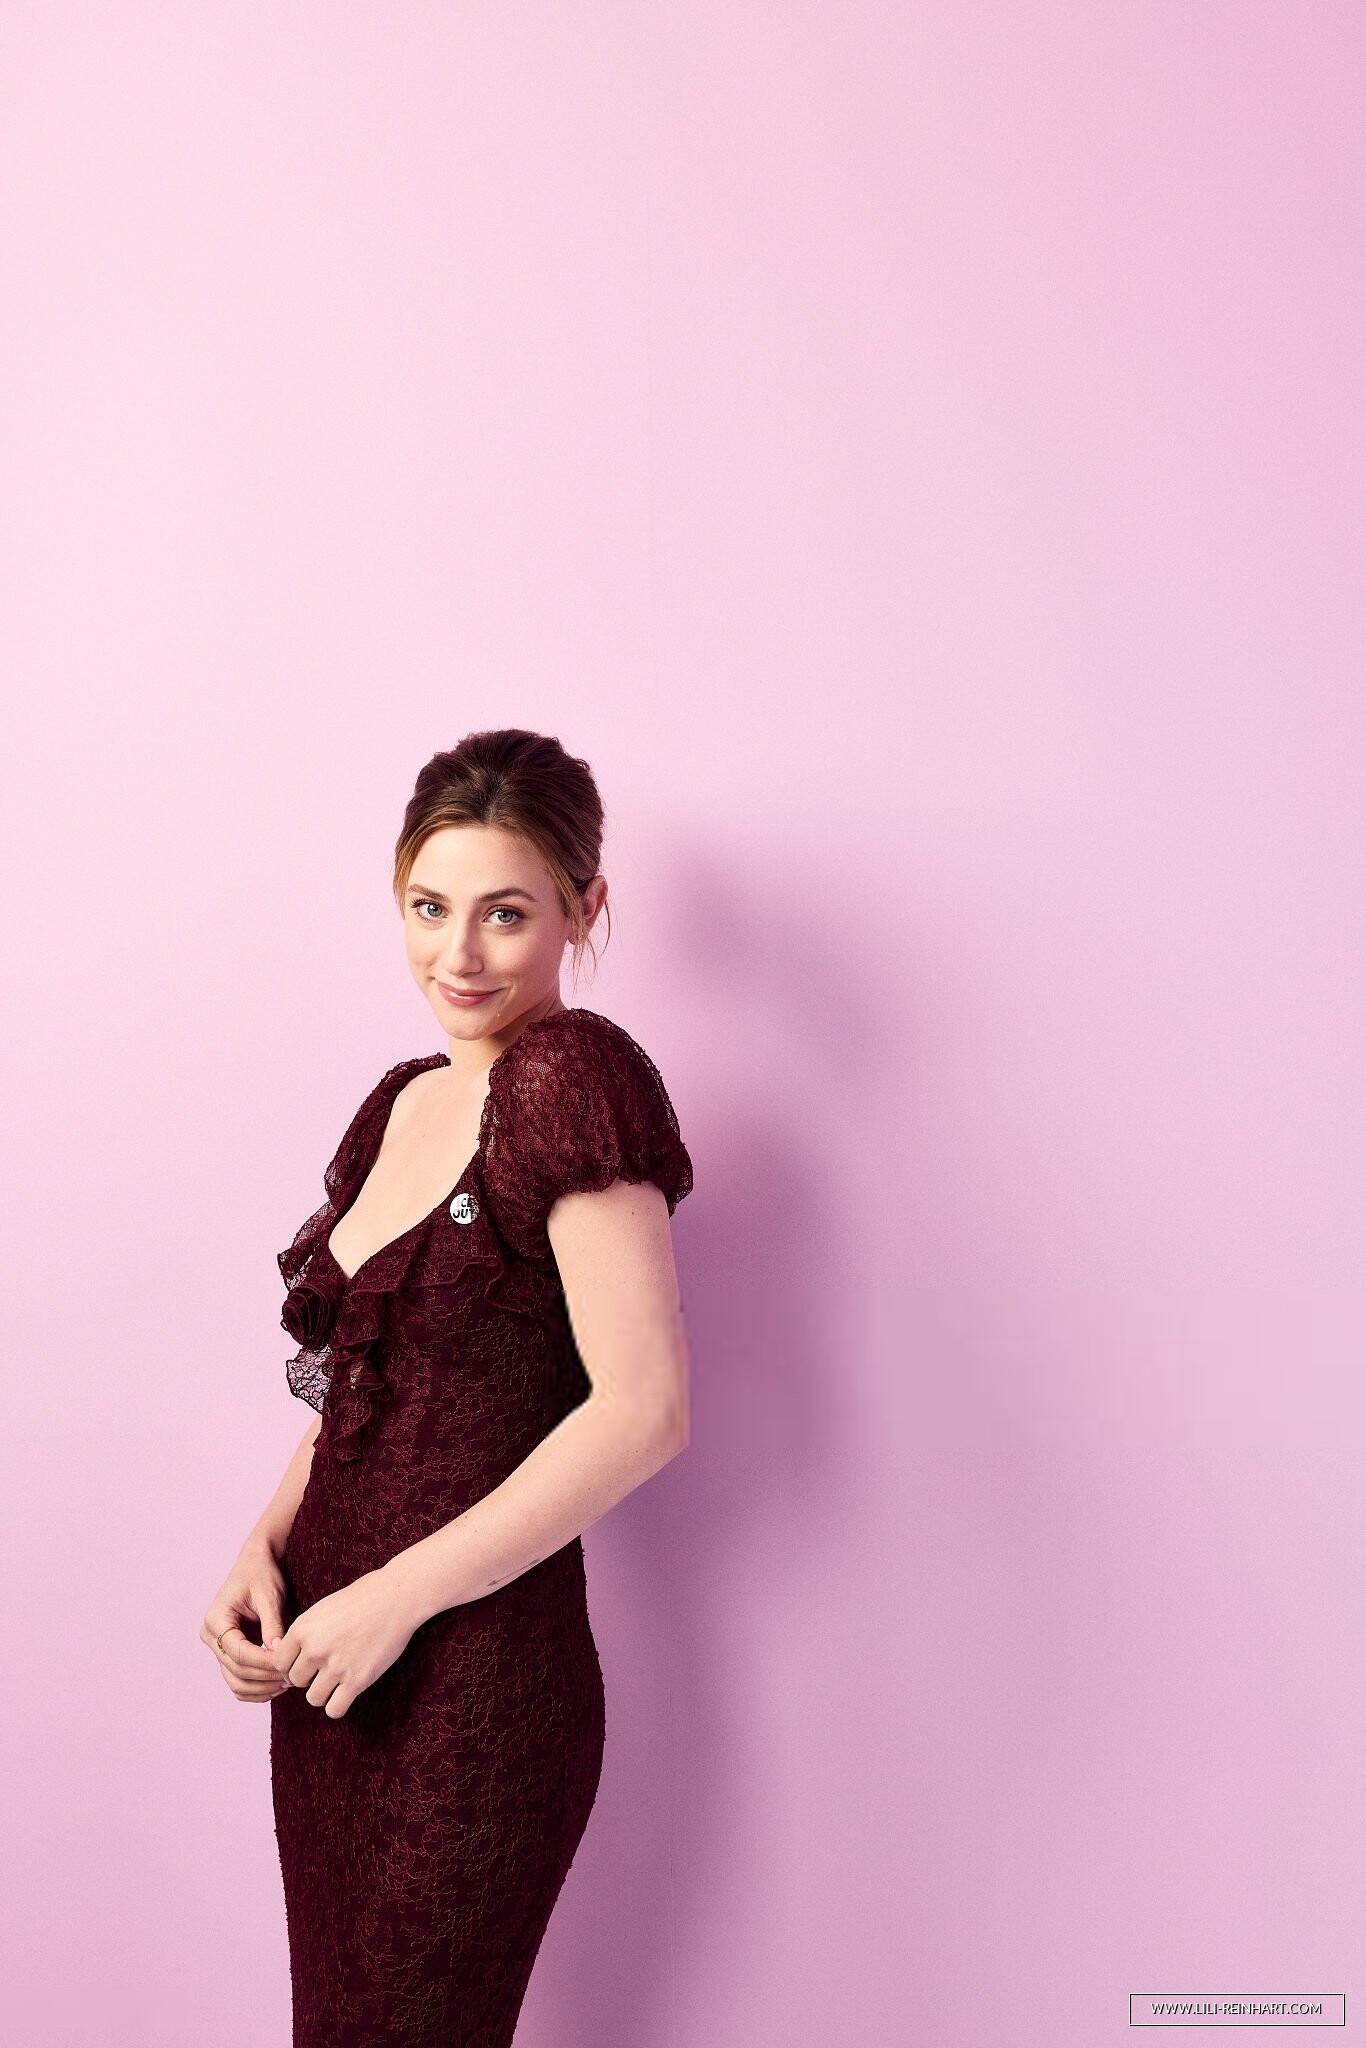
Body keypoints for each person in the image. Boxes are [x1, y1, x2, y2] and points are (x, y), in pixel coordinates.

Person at [200, 728, 695, 2047]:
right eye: (430, 908)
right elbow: (365, 1388)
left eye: (505, 914)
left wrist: (391, 1599)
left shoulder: (570, 1078)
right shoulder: (403, 1103)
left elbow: (643, 1410)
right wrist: (265, 1547)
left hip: (474, 1683)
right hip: (334, 1676)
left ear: (585, 908)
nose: (459, 956)